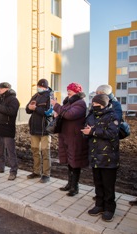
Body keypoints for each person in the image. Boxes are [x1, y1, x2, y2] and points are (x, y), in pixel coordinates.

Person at [82, 94, 120, 222]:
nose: (94, 107)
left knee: (108, 185)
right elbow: (86, 130)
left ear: (104, 104)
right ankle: (99, 205)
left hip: (108, 157)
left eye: (97, 105)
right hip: (94, 155)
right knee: (98, 183)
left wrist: (93, 131)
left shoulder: (112, 116)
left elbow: (112, 133)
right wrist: (86, 132)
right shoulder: (91, 115)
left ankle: (109, 209)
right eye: (93, 104)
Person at [51, 82, 88, 196]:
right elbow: (63, 113)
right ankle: (69, 184)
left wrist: (56, 105)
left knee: (75, 162)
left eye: (70, 90)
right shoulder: (68, 102)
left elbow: (70, 115)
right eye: (67, 90)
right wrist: (56, 114)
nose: (68, 92)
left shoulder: (80, 103)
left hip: (74, 138)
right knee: (69, 161)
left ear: (77, 91)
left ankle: (74, 187)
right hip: (66, 136)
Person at [0, 82, 20, 180]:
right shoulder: (0, 99)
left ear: (6, 89)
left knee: (11, 152)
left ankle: (13, 171)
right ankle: (0, 167)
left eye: (1, 88)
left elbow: (11, 111)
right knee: (0, 150)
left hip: (7, 129)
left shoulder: (13, 100)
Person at [26, 79, 53, 183]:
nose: (39, 88)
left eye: (40, 87)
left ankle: (46, 174)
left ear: (45, 87)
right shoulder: (35, 96)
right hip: (34, 128)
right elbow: (28, 110)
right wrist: (30, 107)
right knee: (35, 151)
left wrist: (35, 108)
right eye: (38, 86)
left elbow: (49, 112)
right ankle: (36, 172)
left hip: (45, 129)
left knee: (45, 153)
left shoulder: (50, 97)